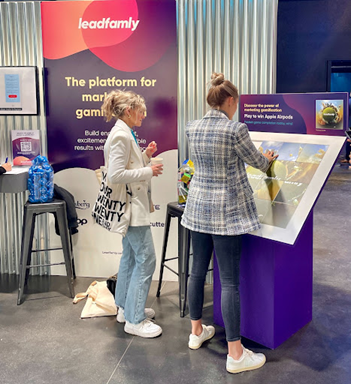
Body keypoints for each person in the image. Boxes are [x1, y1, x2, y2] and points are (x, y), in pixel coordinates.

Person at [181, 73, 278, 374]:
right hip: (226, 213)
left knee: (197, 271)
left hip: (197, 208)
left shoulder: (192, 127)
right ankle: (235, 353)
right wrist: (269, 157)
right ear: (231, 101)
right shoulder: (236, 129)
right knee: (231, 281)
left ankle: (196, 331)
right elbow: (259, 163)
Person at [101, 90, 163, 338]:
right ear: (129, 111)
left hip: (130, 207)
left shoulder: (124, 133)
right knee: (146, 260)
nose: (143, 115)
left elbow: (126, 165)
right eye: (140, 110)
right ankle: (135, 320)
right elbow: (115, 175)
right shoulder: (121, 136)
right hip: (131, 209)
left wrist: (145, 156)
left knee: (129, 257)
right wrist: (148, 171)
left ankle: (126, 309)